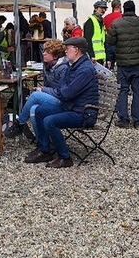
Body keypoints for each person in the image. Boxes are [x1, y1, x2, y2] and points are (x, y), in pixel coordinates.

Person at [23, 37, 98, 168]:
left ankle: (65, 157)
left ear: (76, 50)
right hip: (72, 106)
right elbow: (63, 87)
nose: (65, 52)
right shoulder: (74, 65)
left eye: (67, 49)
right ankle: (45, 150)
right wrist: (61, 92)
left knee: (50, 121)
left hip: (83, 113)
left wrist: (61, 92)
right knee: (39, 111)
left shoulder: (85, 70)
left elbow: (67, 93)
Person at [4, 40, 68, 139]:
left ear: (55, 56)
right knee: (33, 110)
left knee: (35, 96)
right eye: (44, 51)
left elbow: (62, 92)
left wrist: (43, 90)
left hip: (61, 101)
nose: (43, 53)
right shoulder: (47, 65)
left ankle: (19, 123)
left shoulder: (63, 68)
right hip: (51, 96)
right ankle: (43, 143)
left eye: (47, 52)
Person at [106, 0, 139, 129]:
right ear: (134, 9)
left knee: (123, 91)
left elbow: (110, 41)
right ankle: (137, 120)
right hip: (138, 62)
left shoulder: (116, 24)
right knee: (137, 91)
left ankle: (124, 119)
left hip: (123, 63)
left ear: (123, 10)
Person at [83, 0, 108, 64]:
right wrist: (91, 55)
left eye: (105, 8)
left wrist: (107, 58)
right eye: (101, 8)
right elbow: (88, 40)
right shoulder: (90, 22)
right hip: (94, 58)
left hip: (101, 57)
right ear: (95, 9)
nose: (103, 10)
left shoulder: (101, 22)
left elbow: (104, 41)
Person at [103, 0, 123, 69]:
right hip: (120, 43)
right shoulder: (123, 17)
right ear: (120, 6)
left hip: (109, 43)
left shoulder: (106, 18)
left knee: (109, 66)